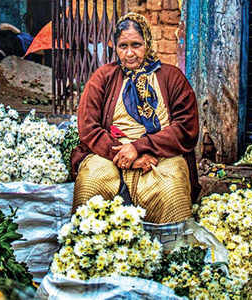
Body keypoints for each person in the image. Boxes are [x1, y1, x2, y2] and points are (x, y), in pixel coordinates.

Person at [71, 12, 200, 224]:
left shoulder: (172, 77)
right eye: (123, 46)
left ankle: (170, 250)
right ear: (115, 47)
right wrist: (127, 155)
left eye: (136, 45)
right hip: (110, 153)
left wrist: (140, 147)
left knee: (171, 188)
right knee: (91, 182)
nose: (129, 53)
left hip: (160, 153)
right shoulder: (103, 77)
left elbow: (186, 127)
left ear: (147, 43)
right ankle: (87, 249)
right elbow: (88, 127)